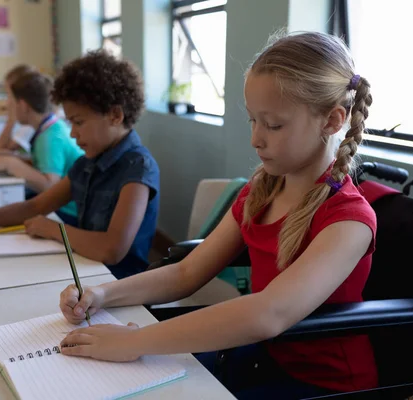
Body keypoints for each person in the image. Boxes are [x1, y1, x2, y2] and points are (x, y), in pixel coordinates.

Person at [58, 31, 376, 399]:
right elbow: (188, 272)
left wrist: (137, 341)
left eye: (273, 125)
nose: (256, 138)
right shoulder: (261, 192)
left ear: (333, 121)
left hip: (318, 385)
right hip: (259, 356)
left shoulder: (349, 220)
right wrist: (101, 293)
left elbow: (268, 313)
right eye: (252, 121)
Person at [0, 50, 160, 279]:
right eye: (70, 123)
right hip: (83, 268)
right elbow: (35, 207)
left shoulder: (138, 168)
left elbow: (111, 249)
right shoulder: (87, 163)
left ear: (115, 115)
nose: (73, 134)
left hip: (117, 282)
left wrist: (54, 229)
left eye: (79, 122)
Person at [0, 71, 83, 224]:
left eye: (10, 101)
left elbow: (50, 185)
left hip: (68, 214)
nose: (7, 105)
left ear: (23, 105)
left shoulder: (50, 138)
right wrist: (9, 158)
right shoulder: (49, 128)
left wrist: (11, 164)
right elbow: (43, 165)